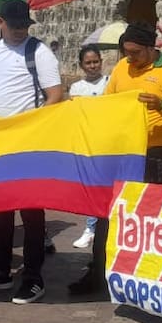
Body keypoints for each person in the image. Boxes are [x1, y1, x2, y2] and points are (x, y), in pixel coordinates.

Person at [69, 22, 162, 297]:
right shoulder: (122, 67)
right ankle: (99, 272)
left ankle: (143, 278)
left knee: (147, 216)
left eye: (136, 53)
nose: (130, 58)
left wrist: (161, 105)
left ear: (151, 48)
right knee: (107, 212)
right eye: (126, 52)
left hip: (154, 153)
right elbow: (108, 102)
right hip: (120, 151)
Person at [0, 0, 63, 305]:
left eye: (25, 25)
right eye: (15, 25)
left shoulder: (39, 52)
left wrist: (29, 128)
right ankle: (0, 270)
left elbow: (55, 96)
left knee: (31, 212)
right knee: (1, 209)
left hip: (27, 143)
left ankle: (33, 278)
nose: (21, 30)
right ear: (0, 22)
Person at [68, 45, 108, 249]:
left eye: (96, 61)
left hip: (107, 143)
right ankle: (91, 227)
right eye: (88, 62)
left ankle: (93, 228)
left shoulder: (109, 83)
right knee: (90, 187)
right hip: (87, 143)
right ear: (82, 65)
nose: (93, 66)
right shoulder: (76, 88)